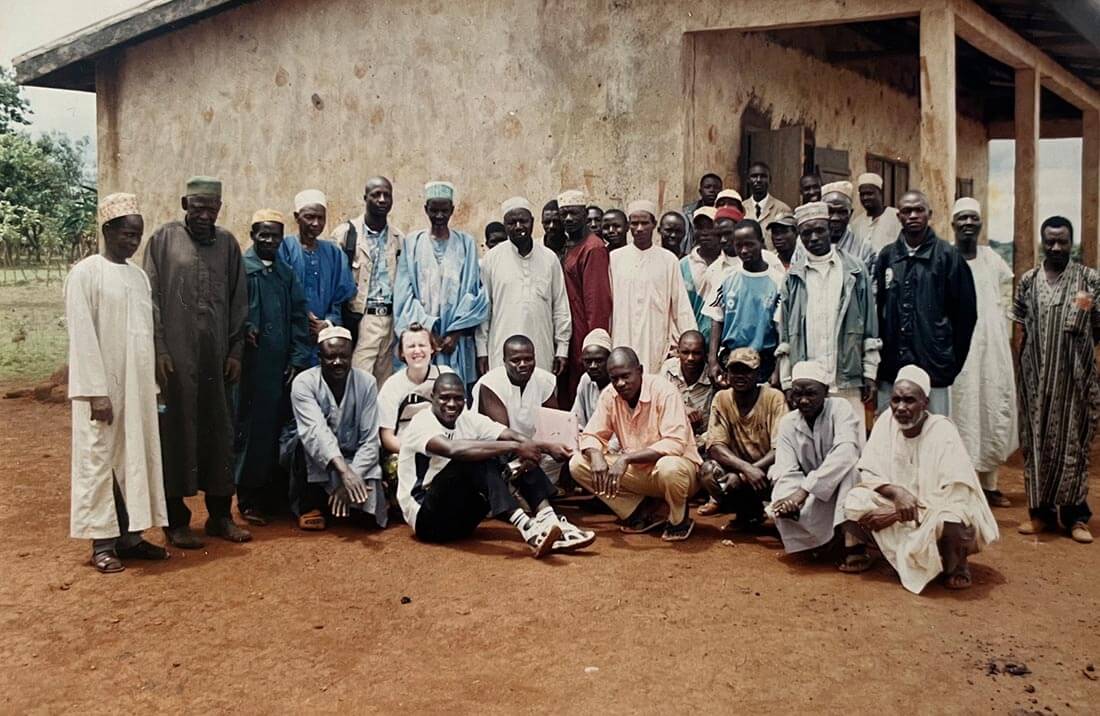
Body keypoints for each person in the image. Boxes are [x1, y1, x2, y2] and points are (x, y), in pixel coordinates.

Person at [144, 176, 251, 548]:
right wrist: (160, 349)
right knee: (175, 434)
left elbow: (239, 302)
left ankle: (220, 516)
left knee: (219, 433)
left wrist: (235, 351)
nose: (205, 215)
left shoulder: (228, 245)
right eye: (198, 207)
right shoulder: (163, 241)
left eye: (212, 208)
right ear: (184, 204)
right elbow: (151, 300)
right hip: (175, 362)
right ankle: (175, 522)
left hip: (216, 363)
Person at [66, 193, 168, 573]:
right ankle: (103, 544)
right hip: (102, 390)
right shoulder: (86, 274)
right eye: (127, 234)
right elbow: (82, 337)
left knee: (135, 457)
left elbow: (143, 335)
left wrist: (149, 383)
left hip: (136, 388)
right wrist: (96, 393)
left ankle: (131, 537)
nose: (133, 241)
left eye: (138, 235)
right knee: (100, 461)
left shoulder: (138, 277)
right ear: (107, 231)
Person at [397, 373, 592, 555]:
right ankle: (528, 528)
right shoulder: (422, 422)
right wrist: (516, 447)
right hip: (429, 520)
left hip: (463, 521)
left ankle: (548, 519)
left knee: (506, 450)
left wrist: (545, 447)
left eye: (458, 398)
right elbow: (452, 449)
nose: (452, 404)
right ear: (432, 397)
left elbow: (510, 436)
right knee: (474, 457)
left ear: (465, 399)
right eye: (444, 398)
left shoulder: (468, 419)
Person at [844, 366, 999, 593]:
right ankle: (890, 555)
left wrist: (898, 513)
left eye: (909, 400)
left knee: (954, 517)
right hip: (898, 506)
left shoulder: (942, 430)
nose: (901, 407)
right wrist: (897, 493)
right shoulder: (886, 421)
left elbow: (956, 493)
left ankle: (956, 566)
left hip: (931, 511)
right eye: (896, 400)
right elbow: (868, 471)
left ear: (925, 403)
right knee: (854, 499)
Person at [1013, 216, 1100, 543]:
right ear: (1042, 242)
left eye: (1062, 241)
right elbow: (1020, 326)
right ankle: (1041, 515)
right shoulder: (1028, 281)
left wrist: (1076, 362)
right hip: (1035, 381)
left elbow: (1097, 327)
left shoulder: (1088, 281)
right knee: (1036, 444)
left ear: (1071, 242)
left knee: (1072, 445)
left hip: (1074, 382)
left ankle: (1076, 517)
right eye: (1050, 241)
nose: (1056, 247)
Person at [569, 347, 702, 541]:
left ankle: (678, 519)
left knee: (669, 467)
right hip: (638, 473)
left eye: (625, 376)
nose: (620, 384)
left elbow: (675, 444)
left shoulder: (664, 391)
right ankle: (639, 512)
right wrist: (596, 455)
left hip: (680, 473)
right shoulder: (609, 395)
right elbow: (590, 434)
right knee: (578, 464)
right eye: (614, 378)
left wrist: (626, 458)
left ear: (640, 370)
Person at [234, 209, 311, 526]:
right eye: (263, 234)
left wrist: (297, 359)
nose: (269, 241)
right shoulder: (241, 270)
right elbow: (232, 310)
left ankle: (273, 496)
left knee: (278, 429)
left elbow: (299, 318)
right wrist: (244, 328)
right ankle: (248, 498)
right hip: (251, 368)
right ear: (253, 235)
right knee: (251, 431)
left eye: (275, 235)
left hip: (280, 368)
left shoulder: (285, 274)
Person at [776, 201, 879, 429]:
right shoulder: (793, 277)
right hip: (807, 384)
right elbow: (785, 336)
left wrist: (870, 373)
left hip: (846, 380)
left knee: (850, 442)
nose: (813, 238)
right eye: (806, 233)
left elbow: (870, 327)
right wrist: (787, 382)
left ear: (829, 228)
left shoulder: (855, 270)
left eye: (819, 230)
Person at [873, 190, 977, 415]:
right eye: (907, 211)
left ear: (929, 214)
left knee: (934, 428)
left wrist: (948, 362)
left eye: (919, 210)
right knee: (889, 428)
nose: (913, 216)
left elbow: (966, 317)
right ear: (899, 216)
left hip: (933, 367)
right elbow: (877, 311)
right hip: (892, 367)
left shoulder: (949, 257)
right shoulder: (887, 257)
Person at [949, 198, 1017, 508]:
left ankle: (989, 485)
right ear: (953, 224)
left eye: (973, 218)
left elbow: (1005, 300)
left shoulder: (993, 260)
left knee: (989, 408)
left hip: (990, 349)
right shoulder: (947, 258)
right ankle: (960, 484)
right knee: (960, 412)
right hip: (958, 351)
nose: (968, 223)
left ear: (980, 223)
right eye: (962, 218)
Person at [394, 181, 489, 391]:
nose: (439, 216)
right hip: (422, 339)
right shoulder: (412, 243)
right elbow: (404, 295)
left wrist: (454, 334)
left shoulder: (466, 243)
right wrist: (429, 333)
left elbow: (474, 294)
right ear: (425, 209)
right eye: (434, 210)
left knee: (454, 394)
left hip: (456, 342)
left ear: (452, 210)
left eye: (444, 211)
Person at [288, 327, 386, 530]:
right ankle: (311, 506)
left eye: (344, 356)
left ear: (351, 356)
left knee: (368, 521)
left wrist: (352, 474)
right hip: (320, 458)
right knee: (303, 444)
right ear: (319, 357)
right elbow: (316, 432)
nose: (338, 362)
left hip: (354, 459)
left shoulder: (367, 383)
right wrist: (345, 473)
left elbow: (370, 440)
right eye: (331, 357)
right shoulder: (304, 383)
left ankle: (345, 499)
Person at [770, 361, 865, 564]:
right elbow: (786, 468)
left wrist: (803, 491)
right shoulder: (788, 422)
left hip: (838, 485)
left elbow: (847, 452)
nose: (803, 400)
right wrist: (789, 500)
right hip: (810, 490)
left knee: (851, 472)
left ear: (826, 392)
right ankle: (820, 543)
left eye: (811, 394)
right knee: (781, 486)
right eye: (797, 394)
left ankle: (853, 545)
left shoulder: (841, 408)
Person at [476, 196, 570, 375]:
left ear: (532, 222)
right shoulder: (491, 260)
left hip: (542, 350)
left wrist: (562, 349)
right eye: (512, 223)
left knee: (541, 390)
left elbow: (560, 307)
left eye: (523, 221)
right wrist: (482, 351)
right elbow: (484, 311)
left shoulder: (549, 259)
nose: (518, 226)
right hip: (501, 350)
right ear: (505, 225)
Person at [697, 347, 788, 521]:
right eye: (735, 370)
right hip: (738, 470)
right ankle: (746, 512)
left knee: (782, 473)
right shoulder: (722, 398)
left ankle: (777, 514)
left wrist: (751, 471)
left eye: (746, 371)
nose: (740, 376)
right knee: (709, 471)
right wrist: (745, 469)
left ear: (758, 374)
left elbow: (781, 448)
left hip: (768, 469)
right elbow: (715, 447)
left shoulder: (774, 397)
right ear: (727, 374)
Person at [610, 200, 698, 374]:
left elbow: (680, 305)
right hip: (623, 334)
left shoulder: (668, 260)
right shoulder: (615, 259)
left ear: (654, 225)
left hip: (655, 336)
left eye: (644, 223)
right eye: (634, 223)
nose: (639, 228)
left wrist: (689, 341)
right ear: (628, 226)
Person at [331, 177, 403, 383]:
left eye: (387, 195)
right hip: (360, 319)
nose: (382, 200)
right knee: (358, 381)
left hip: (390, 320)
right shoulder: (345, 235)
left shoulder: (398, 238)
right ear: (365, 198)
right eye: (376, 195)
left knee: (385, 383)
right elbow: (335, 282)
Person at [278, 189, 357, 366]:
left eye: (321, 218)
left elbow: (340, 298)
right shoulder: (284, 248)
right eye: (310, 217)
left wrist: (327, 324)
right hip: (290, 335)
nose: (316, 223)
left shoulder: (334, 253)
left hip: (324, 338)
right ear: (297, 217)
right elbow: (278, 291)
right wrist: (302, 317)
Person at [377, 323, 454, 499]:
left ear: (432, 349)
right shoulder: (392, 385)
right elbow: (387, 437)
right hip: (406, 451)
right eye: (411, 346)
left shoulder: (445, 375)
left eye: (422, 345)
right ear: (402, 353)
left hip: (444, 448)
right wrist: (415, 451)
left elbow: (462, 420)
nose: (417, 351)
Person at [705, 218, 785, 384]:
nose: (744, 250)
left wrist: (778, 370)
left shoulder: (778, 282)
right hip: (731, 358)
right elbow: (716, 320)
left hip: (764, 361)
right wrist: (712, 361)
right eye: (739, 245)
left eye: (749, 244)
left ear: (761, 242)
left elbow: (782, 332)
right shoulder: (726, 278)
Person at [560, 189, 612, 406]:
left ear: (584, 214)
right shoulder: (568, 245)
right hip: (568, 328)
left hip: (584, 331)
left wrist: (594, 342)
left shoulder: (593, 248)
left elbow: (597, 302)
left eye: (573, 213)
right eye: (564, 214)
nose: (568, 219)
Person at [474, 334, 559, 437]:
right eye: (515, 360)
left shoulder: (545, 380)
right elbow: (502, 435)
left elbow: (554, 425)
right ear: (504, 361)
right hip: (497, 444)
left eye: (528, 359)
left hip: (535, 444)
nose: (523, 364)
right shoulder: (490, 384)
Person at [660, 330, 713, 444]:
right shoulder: (668, 368)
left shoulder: (712, 376)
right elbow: (658, 402)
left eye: (696, 353)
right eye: (685, 352)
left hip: (704, 440)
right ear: (678, 352)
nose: (690, 358)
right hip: (670, 436)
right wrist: (682, 409)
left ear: (705, 354)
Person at [682, 207, 722, 344]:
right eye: (700, 228)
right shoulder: (683, 265)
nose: (704, 233)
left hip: (721, 342)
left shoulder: (728, 264)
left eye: (710, 227)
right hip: (691, 344)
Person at [822, 181, 876, 273]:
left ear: (850, 213)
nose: (835, 218)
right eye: (830, 211)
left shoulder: (864, 248)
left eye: (841, 212)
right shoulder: (804, 245)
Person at [743, 161, 792, 249]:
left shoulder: (782, 209)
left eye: (763, 176)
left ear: (770, 180)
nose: (758, 180)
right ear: (748, 180)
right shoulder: (741, 208)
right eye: (754, 176)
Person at [851, 173, 903, 252]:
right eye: (862, 194)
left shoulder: (897, 217)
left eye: (869, 194)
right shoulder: (856, 223)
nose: (865, 197)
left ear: (880, 193)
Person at [571, 329, 612, 430]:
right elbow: (576, 419)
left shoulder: (619, 385)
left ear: (610, 360)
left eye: (599, 361)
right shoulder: (586, 379)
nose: (593, 366)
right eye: (588, 361)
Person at [681, 172, 722, 254]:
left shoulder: (725, 213)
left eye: (716, 187)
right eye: (707, 187)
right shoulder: (688, 213)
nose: (712, 190)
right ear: (700, 191)